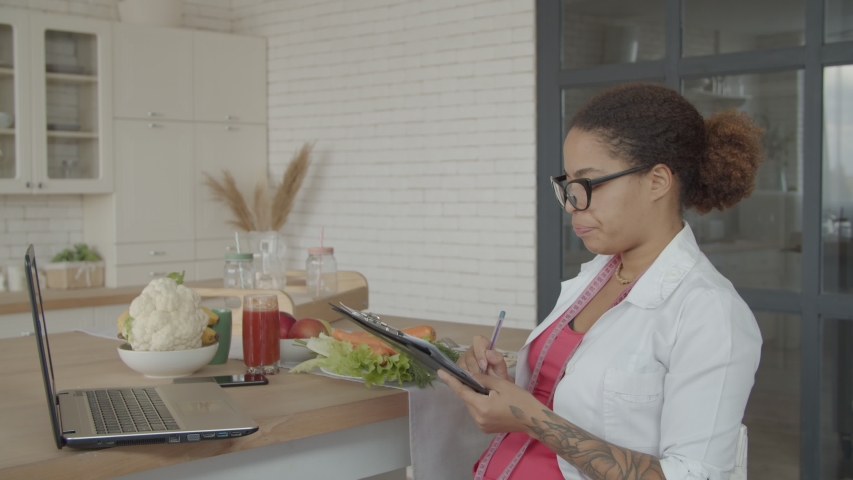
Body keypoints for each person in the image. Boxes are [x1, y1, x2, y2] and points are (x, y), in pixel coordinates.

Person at [438, 83, 764, 480]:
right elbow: (556, 394)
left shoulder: (709, 312)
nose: (574, 203)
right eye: (569, 186)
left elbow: (694, 475)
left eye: (589, 184)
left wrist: (532, 418)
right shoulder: (596, 276)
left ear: (658, 181)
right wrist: (505, 384)